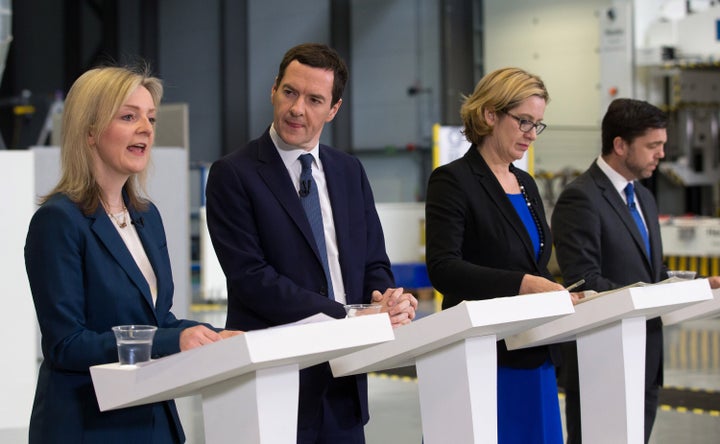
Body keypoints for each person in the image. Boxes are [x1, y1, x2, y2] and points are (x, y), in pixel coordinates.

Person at [205, 43, 418, 443]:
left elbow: (372, 259)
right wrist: (346, 316)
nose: (297, 108)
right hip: (273, 381)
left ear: (333, 109)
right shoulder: (233, 174)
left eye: (314, 99)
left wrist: (385, 299)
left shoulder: (349, 171)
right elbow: (251, 277)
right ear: (273, 89)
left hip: (345, 382)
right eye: (289, 92)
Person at [24, 65, 239, 444]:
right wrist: (170, 341)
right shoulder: (58, 222)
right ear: (89, 132)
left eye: (150, 118)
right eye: (128, 116)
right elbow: (66, 344)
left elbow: (154, 319)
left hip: (154, 420)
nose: (146, 128)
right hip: (89, 426)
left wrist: (211, 336)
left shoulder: (145, 216)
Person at [425, 67, 580, 443]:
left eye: (537, 125)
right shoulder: (453, 181)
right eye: (524, 121)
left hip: (534, 350)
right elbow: (444, 268)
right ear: (490, 114)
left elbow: (533, 260)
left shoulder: (525, 183)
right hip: (487, 355)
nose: (530, 134)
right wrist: (523, 284)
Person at [551, 98, 668, 444]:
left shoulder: (643, 198)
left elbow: (652, 271)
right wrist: (653, 295)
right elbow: (584, 281)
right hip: (602, 358)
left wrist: (688, 286)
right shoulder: (581, 198)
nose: (661, 154)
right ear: (620, 145)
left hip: (647, 355)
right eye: (653, 145)